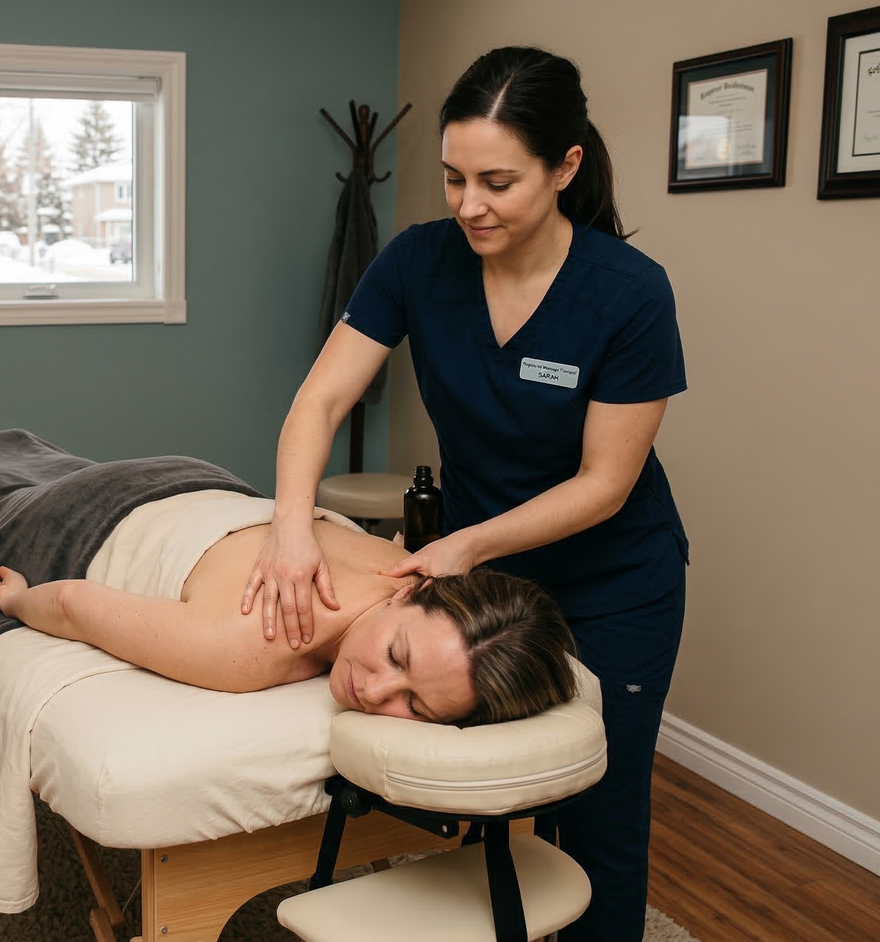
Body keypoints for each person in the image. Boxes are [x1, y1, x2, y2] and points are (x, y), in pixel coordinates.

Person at [243, 46, 688, 942]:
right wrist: (289, 529)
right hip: (490, 590)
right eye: (452, 179)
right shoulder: (418, 263)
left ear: (565, 168)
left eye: (497, 181)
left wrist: (469, 543)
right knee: (485, 792)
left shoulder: (628, 293)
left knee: (597, 809)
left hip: (614, 582)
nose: (469, 205)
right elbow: (320, 398)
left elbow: (607, 483)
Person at [0, 509, 578, 727]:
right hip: (124, 507)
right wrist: (13, 600)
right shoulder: (253, 643)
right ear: (407, 594)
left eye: (415, 707)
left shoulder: (409, 568)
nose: (375, 690)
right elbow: (71, 603)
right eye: (397, 658)